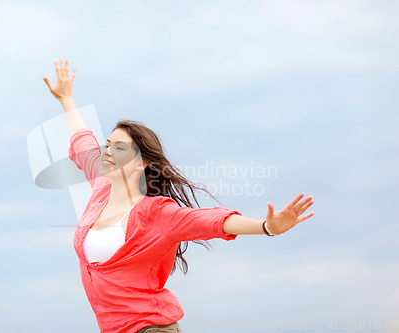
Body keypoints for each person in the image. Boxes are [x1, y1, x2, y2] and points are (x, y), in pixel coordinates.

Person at [43, 58, 314, 333]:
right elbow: (82, 144)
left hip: (151, 328)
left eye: (120, 148)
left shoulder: (158, 213)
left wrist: (266, 227)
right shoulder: (101, 188)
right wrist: (67, 100)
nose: (108, 152)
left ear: (142, 163)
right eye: (108, 145)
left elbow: (211, 221)